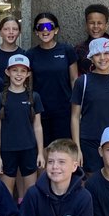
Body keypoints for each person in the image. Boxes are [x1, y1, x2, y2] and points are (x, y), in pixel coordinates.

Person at [71, 37, 109, 176]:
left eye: (106, 53)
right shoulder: (83, 82)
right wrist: (77, 148)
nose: (102, 58)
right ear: (91, 58)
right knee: (91, 182)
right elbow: (74, 117)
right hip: (89, 140)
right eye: (97, 54)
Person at [0, 54, 45, 202]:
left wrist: (40, 153)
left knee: (31, 192)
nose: (18, 74)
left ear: (28, 73)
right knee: (6, 193)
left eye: (23, 71)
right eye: (15, 70)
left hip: (29, 149)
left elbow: (38, 126)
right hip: (7, 151)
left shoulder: (34, 97)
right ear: (8, 72)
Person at [26, 12, 79, 145]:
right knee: (43, 152)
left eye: (49, 26)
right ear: (36, 32)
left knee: (63, 149)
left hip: (64, 110)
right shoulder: (30, 54)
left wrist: (77, 107)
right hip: (40, 111)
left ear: (56, 30)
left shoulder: (67, 50)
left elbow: (74, 80)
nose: (45, 30)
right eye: (40, 27)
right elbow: (29, 84)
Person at [74, 3, 109, 75]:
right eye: (92, 23)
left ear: (106, 26)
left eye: (99, 23)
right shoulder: (79, 50)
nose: (95, 26)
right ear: (86, 25)